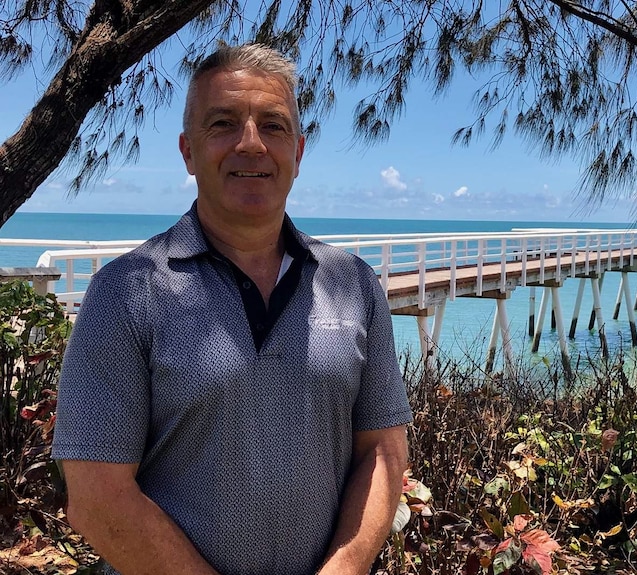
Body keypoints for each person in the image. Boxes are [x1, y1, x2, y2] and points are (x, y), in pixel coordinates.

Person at [52, 44, 413, 575]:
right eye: (223, 123)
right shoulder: (126, 291)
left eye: (273, 125)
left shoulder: (354, 283)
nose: (251, 143)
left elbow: (383, 450)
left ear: (298, 151)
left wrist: (344, 568)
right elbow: (95, 495)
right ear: (188, 152)